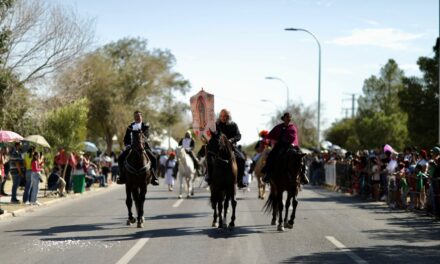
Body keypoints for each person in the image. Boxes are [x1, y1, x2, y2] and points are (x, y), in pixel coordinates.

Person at [262, 112, 309, 185]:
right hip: (280, 145)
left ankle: (303, 174)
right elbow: (271, 135)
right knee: (271, 156)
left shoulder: (292, 127)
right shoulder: (278, 127)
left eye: (290, 117)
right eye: (287, 117)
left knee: (302, 156)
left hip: (291, 145)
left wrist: (287, 140)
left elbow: (293, 137)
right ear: (283, 118)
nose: (288, 118)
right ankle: (268, 174)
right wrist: (266, 139)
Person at [117, 110, 159, 185]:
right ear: (134, 117)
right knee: (120, 158)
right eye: (136, 116)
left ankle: (154, 177)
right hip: (131, 147)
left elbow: (146, 136)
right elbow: (126, 138)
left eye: (139, 116)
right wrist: (127, 145)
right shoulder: (130, 127)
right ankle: (121, 176)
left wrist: (141, 141)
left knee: (154, 158)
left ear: (141, 117)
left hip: (143, 147)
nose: (137, 118)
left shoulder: (145, 126)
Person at [212, 109, 247, 188]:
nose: (223, 118)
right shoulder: (216, 125)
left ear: (229, 117)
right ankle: (209, 177)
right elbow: (212, 135)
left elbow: (238, 136)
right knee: (210, 156)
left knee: (241, 159)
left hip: (231, 147)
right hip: (219, 147)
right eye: (221, 116)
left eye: (225, 116)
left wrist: (231, 140)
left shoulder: (233, 125)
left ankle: (240, 180)